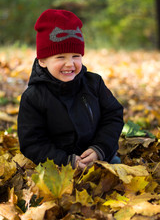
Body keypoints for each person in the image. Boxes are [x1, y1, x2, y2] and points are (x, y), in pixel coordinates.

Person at [18, 9, 124, 170]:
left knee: (118, 175)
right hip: (57, 167)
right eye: (60, 57)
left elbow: (113, 115)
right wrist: (65, 161)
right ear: (42, 61)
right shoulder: (33, 97)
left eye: (76, 56)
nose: (70, 64)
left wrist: (100, 149)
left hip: (100, 159)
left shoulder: (94, 83)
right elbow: (32, 143)